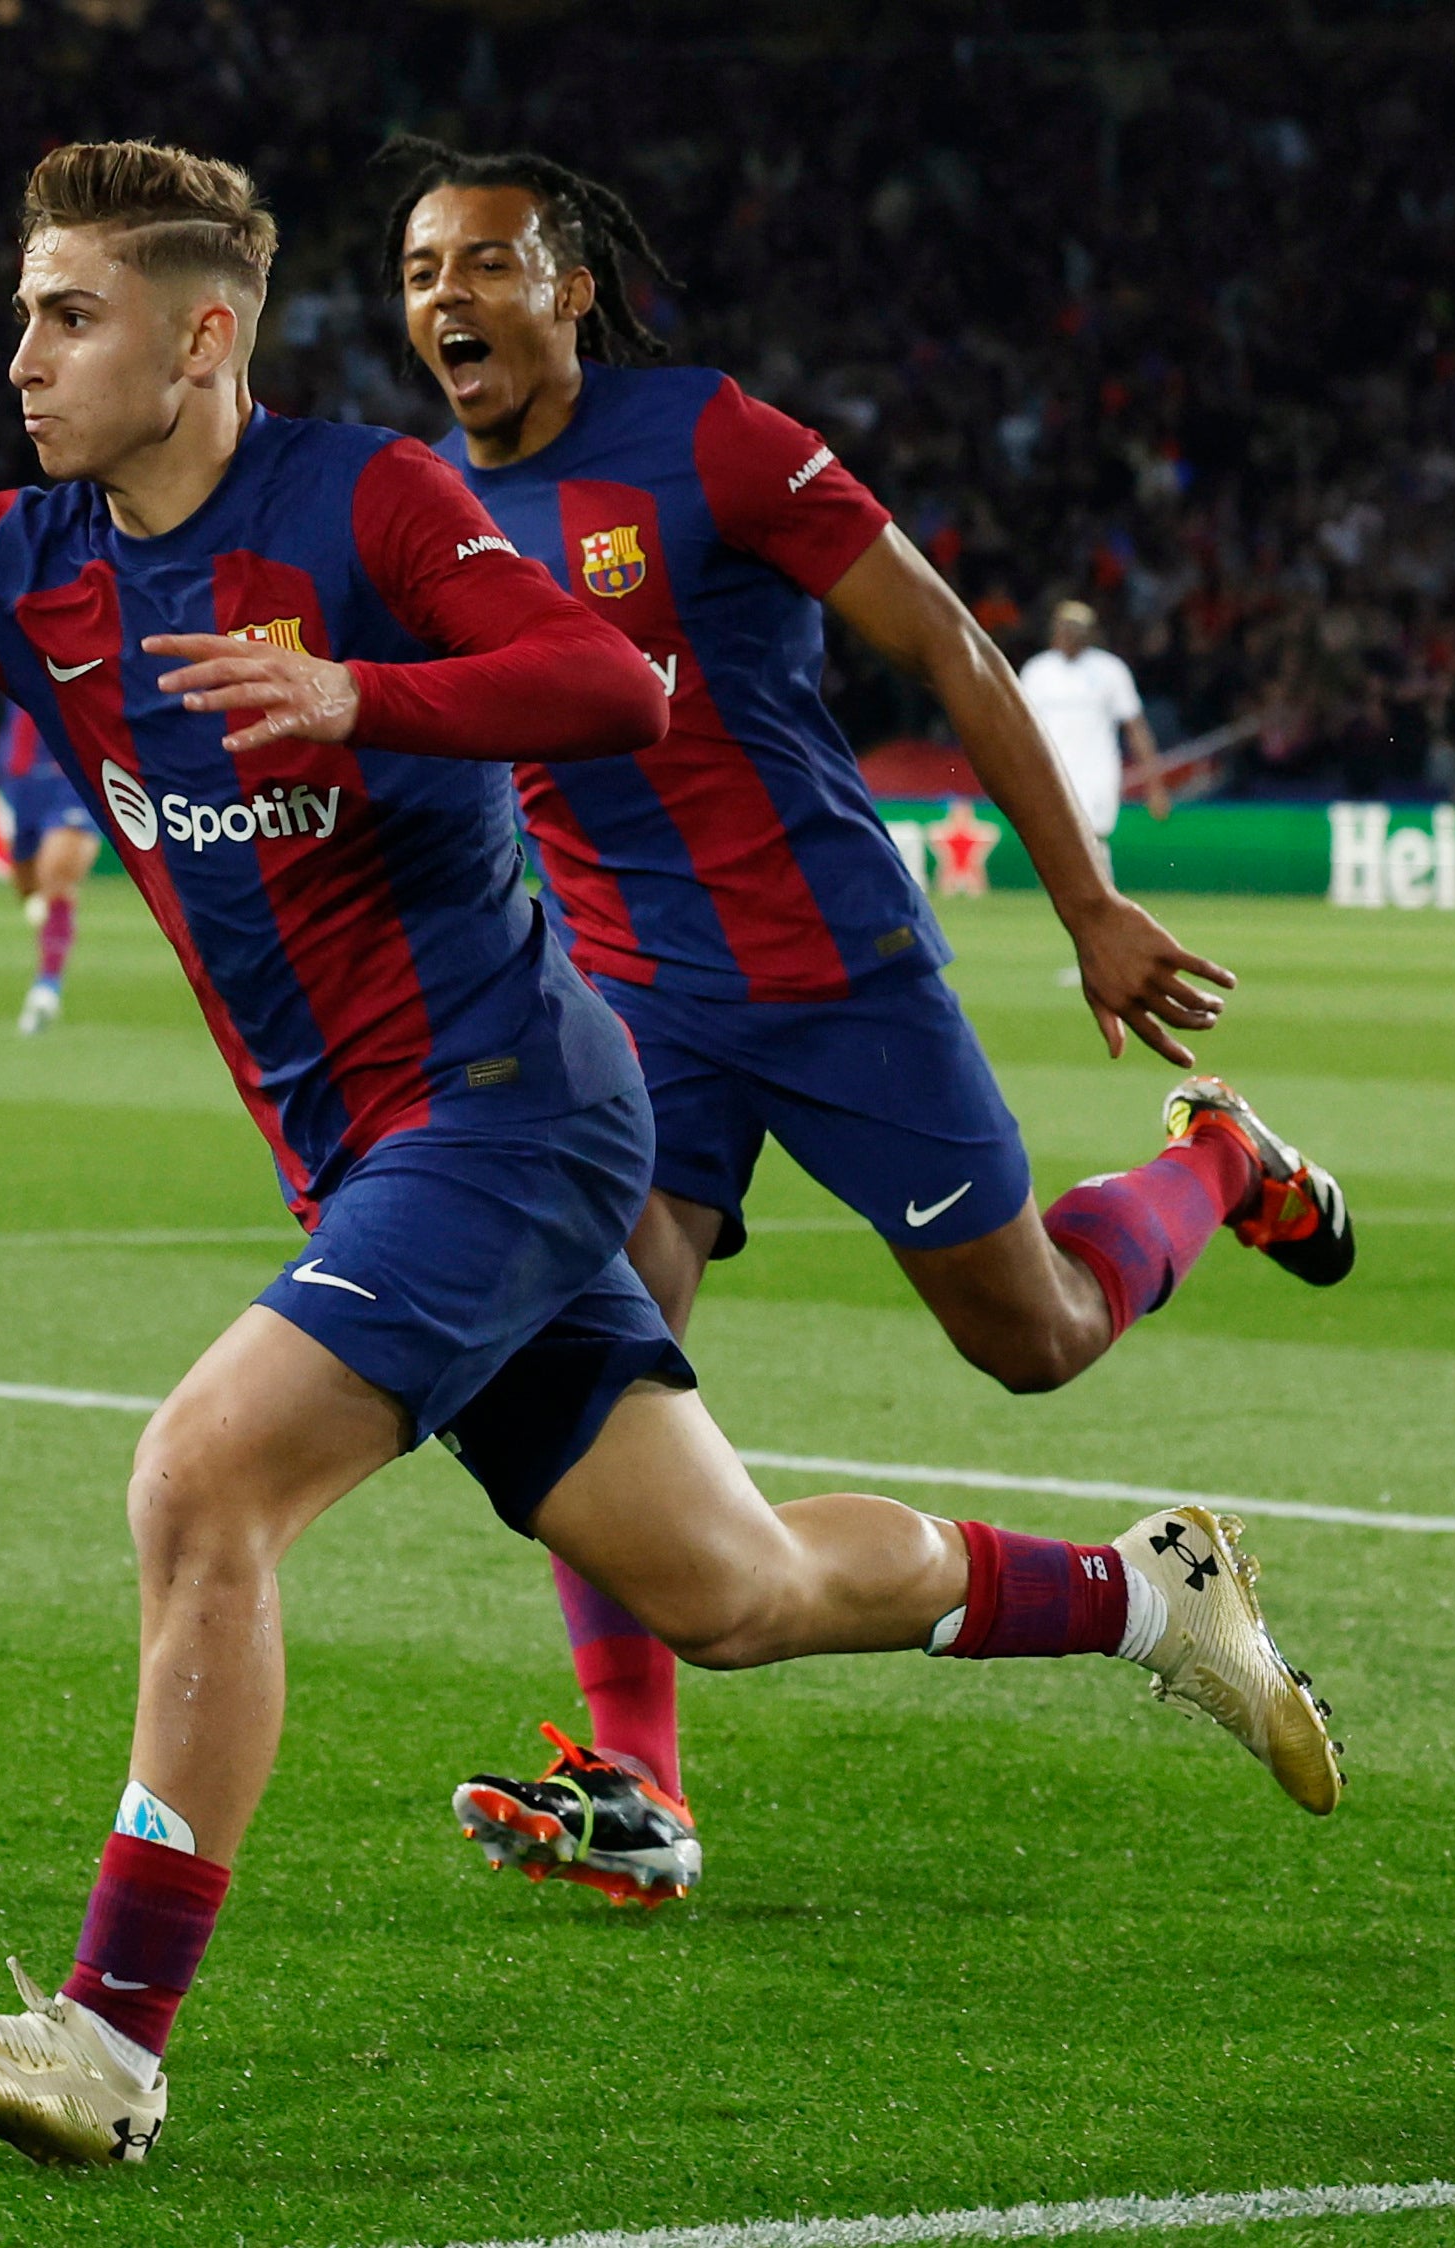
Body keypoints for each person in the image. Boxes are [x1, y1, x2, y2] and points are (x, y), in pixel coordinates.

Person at [0, 140, 1339, 2171]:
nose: (22, 356)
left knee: (201, 1473)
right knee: (738, 1587)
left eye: (65, 316)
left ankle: (107, 2031)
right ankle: (1151, 1594)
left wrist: (359, 689)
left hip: (509, 1107)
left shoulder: (365, 502)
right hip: (379, 1154)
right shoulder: (15, 560)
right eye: (20, 314)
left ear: (197, 333)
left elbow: (606, 681)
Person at [386, 139, 1355, 1903]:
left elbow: (949, 646)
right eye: (420, 271)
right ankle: (636, 1785)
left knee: (1034, 1337)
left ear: (570, 287)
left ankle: (1219, 1159)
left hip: (835, 973)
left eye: (487, 262)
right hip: (632, 1011)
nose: (448, 297)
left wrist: (1084, 904)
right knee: (592, 1350)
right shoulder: (415, 514)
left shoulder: (713, 441)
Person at [1017, 600, 1161, 869]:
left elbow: (1136, 728)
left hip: (1097, 771)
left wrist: (1155, 784)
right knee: (1059, 844)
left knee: (1094, 838)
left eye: (1078, 627)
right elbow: (1021, 730)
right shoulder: (1037, 671)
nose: (1071, 633)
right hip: (1053, 772)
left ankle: (1100, 901)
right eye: (1066, 626)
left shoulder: (1110, 670)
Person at [0, 704, 100, 1032]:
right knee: (28, 885)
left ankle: (47, 986)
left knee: (58, 875)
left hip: (77, 767)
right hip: (22, 771)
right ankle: (52, 922)